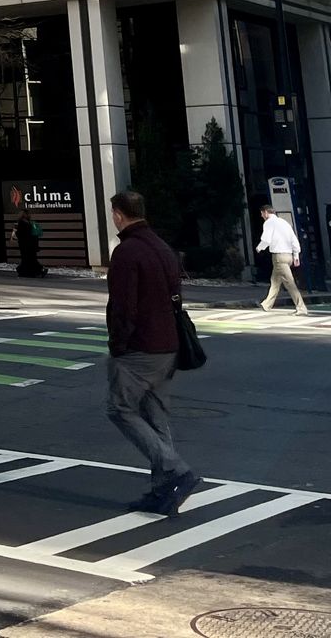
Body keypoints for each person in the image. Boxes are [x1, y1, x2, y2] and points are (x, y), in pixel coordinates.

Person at [105, 190, 200, 516]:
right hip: (168, 344)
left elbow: (123, 306)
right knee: (156, 417)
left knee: (119, 408)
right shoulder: (162, 247)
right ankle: (163, 492)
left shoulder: (127, 252)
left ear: (119, 214)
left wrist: (118, 344)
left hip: (139, 346)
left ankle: (176, 470)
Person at [255, 205, 308, 316]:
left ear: (265, 212)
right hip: (288, 255)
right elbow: (294, 239)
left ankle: (301, 307)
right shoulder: (284, 223)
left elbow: (266, 239)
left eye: (261, 213)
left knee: (289, 283)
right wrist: (296, 255)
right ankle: (267, 304)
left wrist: (259, 248)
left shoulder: (269, 223)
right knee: (275, 281)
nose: (261, 216)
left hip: (279, 256)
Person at [14, 209, 45, 278]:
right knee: (30, 258)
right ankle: (34, 271)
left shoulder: (22, 223)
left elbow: (18, 234)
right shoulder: (27, 223)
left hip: (26, 244)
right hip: (29, 244)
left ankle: (26, 272)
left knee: (27, 259)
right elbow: (31, 234)